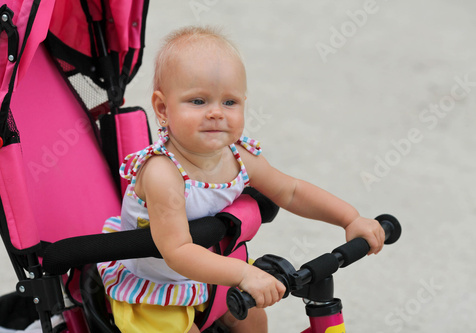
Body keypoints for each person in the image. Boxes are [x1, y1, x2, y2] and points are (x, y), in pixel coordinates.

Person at [99, 25, 386, 333]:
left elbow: (290, 191)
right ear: (162, 108)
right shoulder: (162, 173)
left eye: (229, 102)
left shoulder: (238, 156)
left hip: (212, 270)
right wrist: (242, 274)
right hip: (155, 285)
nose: (216, 113)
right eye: (198, 101)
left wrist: (349, 219)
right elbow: (178, 252)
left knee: (254, 318)